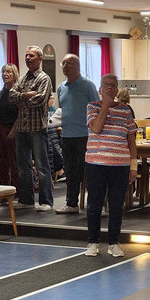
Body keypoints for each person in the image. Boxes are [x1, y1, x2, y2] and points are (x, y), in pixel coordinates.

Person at [84, 73, 137, 258]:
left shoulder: (126, 110)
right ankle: (93, 242)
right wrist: (105, 105)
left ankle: (114, 242)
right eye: (105, 85)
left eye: (113, 85)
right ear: (100, 89)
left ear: (117, 90)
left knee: (116, 206)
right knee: (94, 205)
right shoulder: (92, 107)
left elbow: (131, 139)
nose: (109, 88)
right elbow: (96, 128)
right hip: (96, 163)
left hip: (120, 164)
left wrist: (133, 166)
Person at [9, 45, 54, 211]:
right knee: (23, 167)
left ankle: (46, 201)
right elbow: (11, 96)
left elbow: (40, 100)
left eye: (31, 56)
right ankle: (26, 199)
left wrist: (22, 102)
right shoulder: (22, 78)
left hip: (37, 128)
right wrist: (26, 95)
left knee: (42, 167)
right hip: (22, 128)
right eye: (26, 55)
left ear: (40, 59)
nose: (27, 58)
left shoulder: (44, 78)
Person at [55, 54, 98, 213]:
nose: (66, 66)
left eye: (70, 63)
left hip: (86, 136)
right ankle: (71, 204)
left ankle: (95, 205)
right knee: (71, 172)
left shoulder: (88, 85)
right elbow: (62, 109)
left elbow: (97, 108)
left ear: (78, 66)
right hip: (67, 136)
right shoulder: (61, 87)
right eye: (64, 63)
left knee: (90, 172)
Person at [0, 63, 19, 187]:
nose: (5, 74)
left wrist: (12, 132)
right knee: (2, 164)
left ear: (14, 74)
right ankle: (5, 191)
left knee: (14, 163)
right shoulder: (1, 93)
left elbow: (20, 115)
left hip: (11, 131)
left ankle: (17, 191)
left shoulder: (17, 92)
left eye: (8, 72)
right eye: (3, 72)